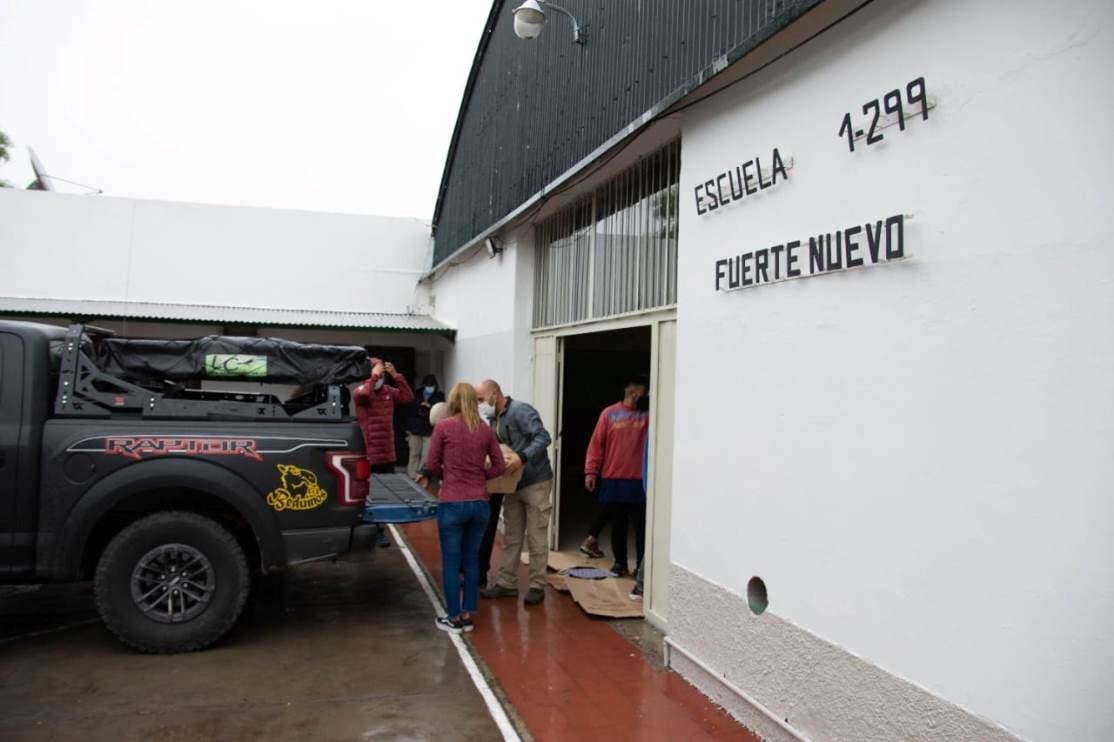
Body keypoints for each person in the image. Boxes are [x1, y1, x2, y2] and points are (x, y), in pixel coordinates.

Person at [416, 383, 506, 633]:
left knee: (451, 561)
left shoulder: (444, 427)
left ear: (453, 401)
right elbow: (499, 466)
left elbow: (432, 465)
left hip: (453, 502)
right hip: (480, 504)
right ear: (474, 402)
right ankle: (468, 614)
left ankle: (453, 617)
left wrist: (443, 473)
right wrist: (479, 476)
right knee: (472, 559)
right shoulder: (485, 430)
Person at [476, 380, 554, 606]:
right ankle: (506, 583)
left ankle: (537, 585)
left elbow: (543, 437)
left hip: (535, 481)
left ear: (494, 394)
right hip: (512, 485)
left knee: (536, 535)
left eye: (481, 399)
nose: (481, 405)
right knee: (511, 535)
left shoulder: (521, 410)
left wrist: (522, 457)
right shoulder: (494, 419)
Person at [581, 375, 649, 577]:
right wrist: (590, 471)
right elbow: (596, 444)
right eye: (644, 393)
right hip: (613, 478)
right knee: (618, 525)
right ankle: (620, 563)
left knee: (641, 528)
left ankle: (641, 568)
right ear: (633, 393)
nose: (646, 397)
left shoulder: (648, 415)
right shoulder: (609, 414)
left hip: (640, 480)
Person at [354, 358, 414, 546]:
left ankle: (379, 530)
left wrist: (396, 375)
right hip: (369, 454)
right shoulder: (362, 390)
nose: (381, 377)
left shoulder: (388, 392)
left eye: (382, 374)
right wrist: (373, 376)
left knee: (384, 496)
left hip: (387, 453)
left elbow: (407, 397)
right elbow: (363, 396)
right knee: (367, 495)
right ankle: (365, 530)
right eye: (378, 373)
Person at [406, 374, 445, 478]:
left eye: (431, 386)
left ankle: (421, 475)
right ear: (423, 385)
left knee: (426, 454)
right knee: (414, 453)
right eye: (428, 385)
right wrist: (420, 406)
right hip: (415, 427)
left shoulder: (439, 395)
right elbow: (410, 411)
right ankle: (411, 474)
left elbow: (441, 410)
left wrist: (430, 407)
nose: (429, 388)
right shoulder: (416, 394)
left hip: (430, 428)